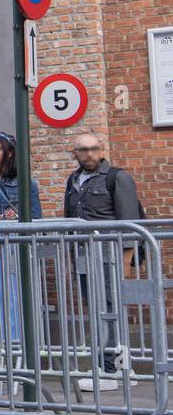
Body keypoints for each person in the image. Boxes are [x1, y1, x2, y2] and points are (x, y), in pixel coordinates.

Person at [63, 132, 142, 391]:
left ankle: (113, 370)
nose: (89, 154)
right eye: (83, 150)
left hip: (110, 258)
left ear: (101, 149)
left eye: (93, 149)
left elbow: (130, 224)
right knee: (96, 309)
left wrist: (126, 263)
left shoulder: (117, 178)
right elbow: (70, 221)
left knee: (110, 309)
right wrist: (72, 261)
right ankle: (111, 366)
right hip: (85, 258)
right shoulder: (73, 180)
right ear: (74, 153)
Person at [0, 132, 42, 342]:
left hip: (15, 244)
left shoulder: (26, 182)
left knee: (15, 294)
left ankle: (17, 343)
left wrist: (7, 217)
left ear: (10, 153)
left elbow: (35, 216)